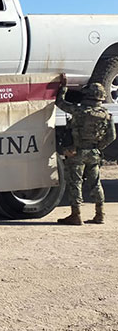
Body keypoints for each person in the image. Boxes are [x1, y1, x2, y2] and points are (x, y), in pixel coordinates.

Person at [55, 74, 116, 225]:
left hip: (76, 152)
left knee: (75, 182)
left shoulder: (78, 111)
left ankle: (76, 215)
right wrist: (98, 147)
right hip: (94, 153)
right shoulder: (106, 115)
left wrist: (63, 88)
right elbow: (112, 136)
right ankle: (99, 215)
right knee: (95, 183)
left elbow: (60, 103)